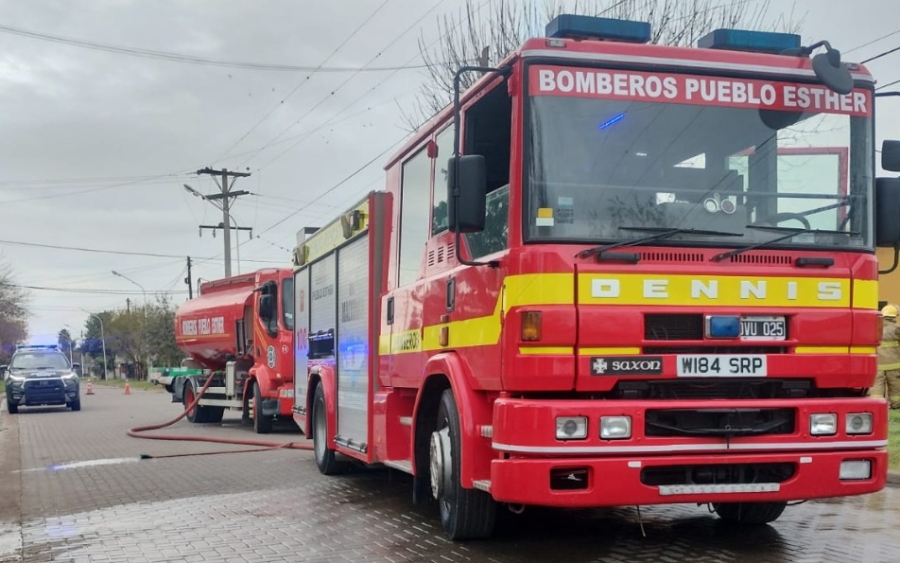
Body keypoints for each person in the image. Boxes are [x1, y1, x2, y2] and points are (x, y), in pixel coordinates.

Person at [873, 303, 900, 409]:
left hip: (878, 364)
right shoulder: (897, 328)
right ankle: (895, 405)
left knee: (877, 385)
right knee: (895, 385)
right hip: (894, 364)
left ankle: (876, 404)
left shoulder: (875, 327)